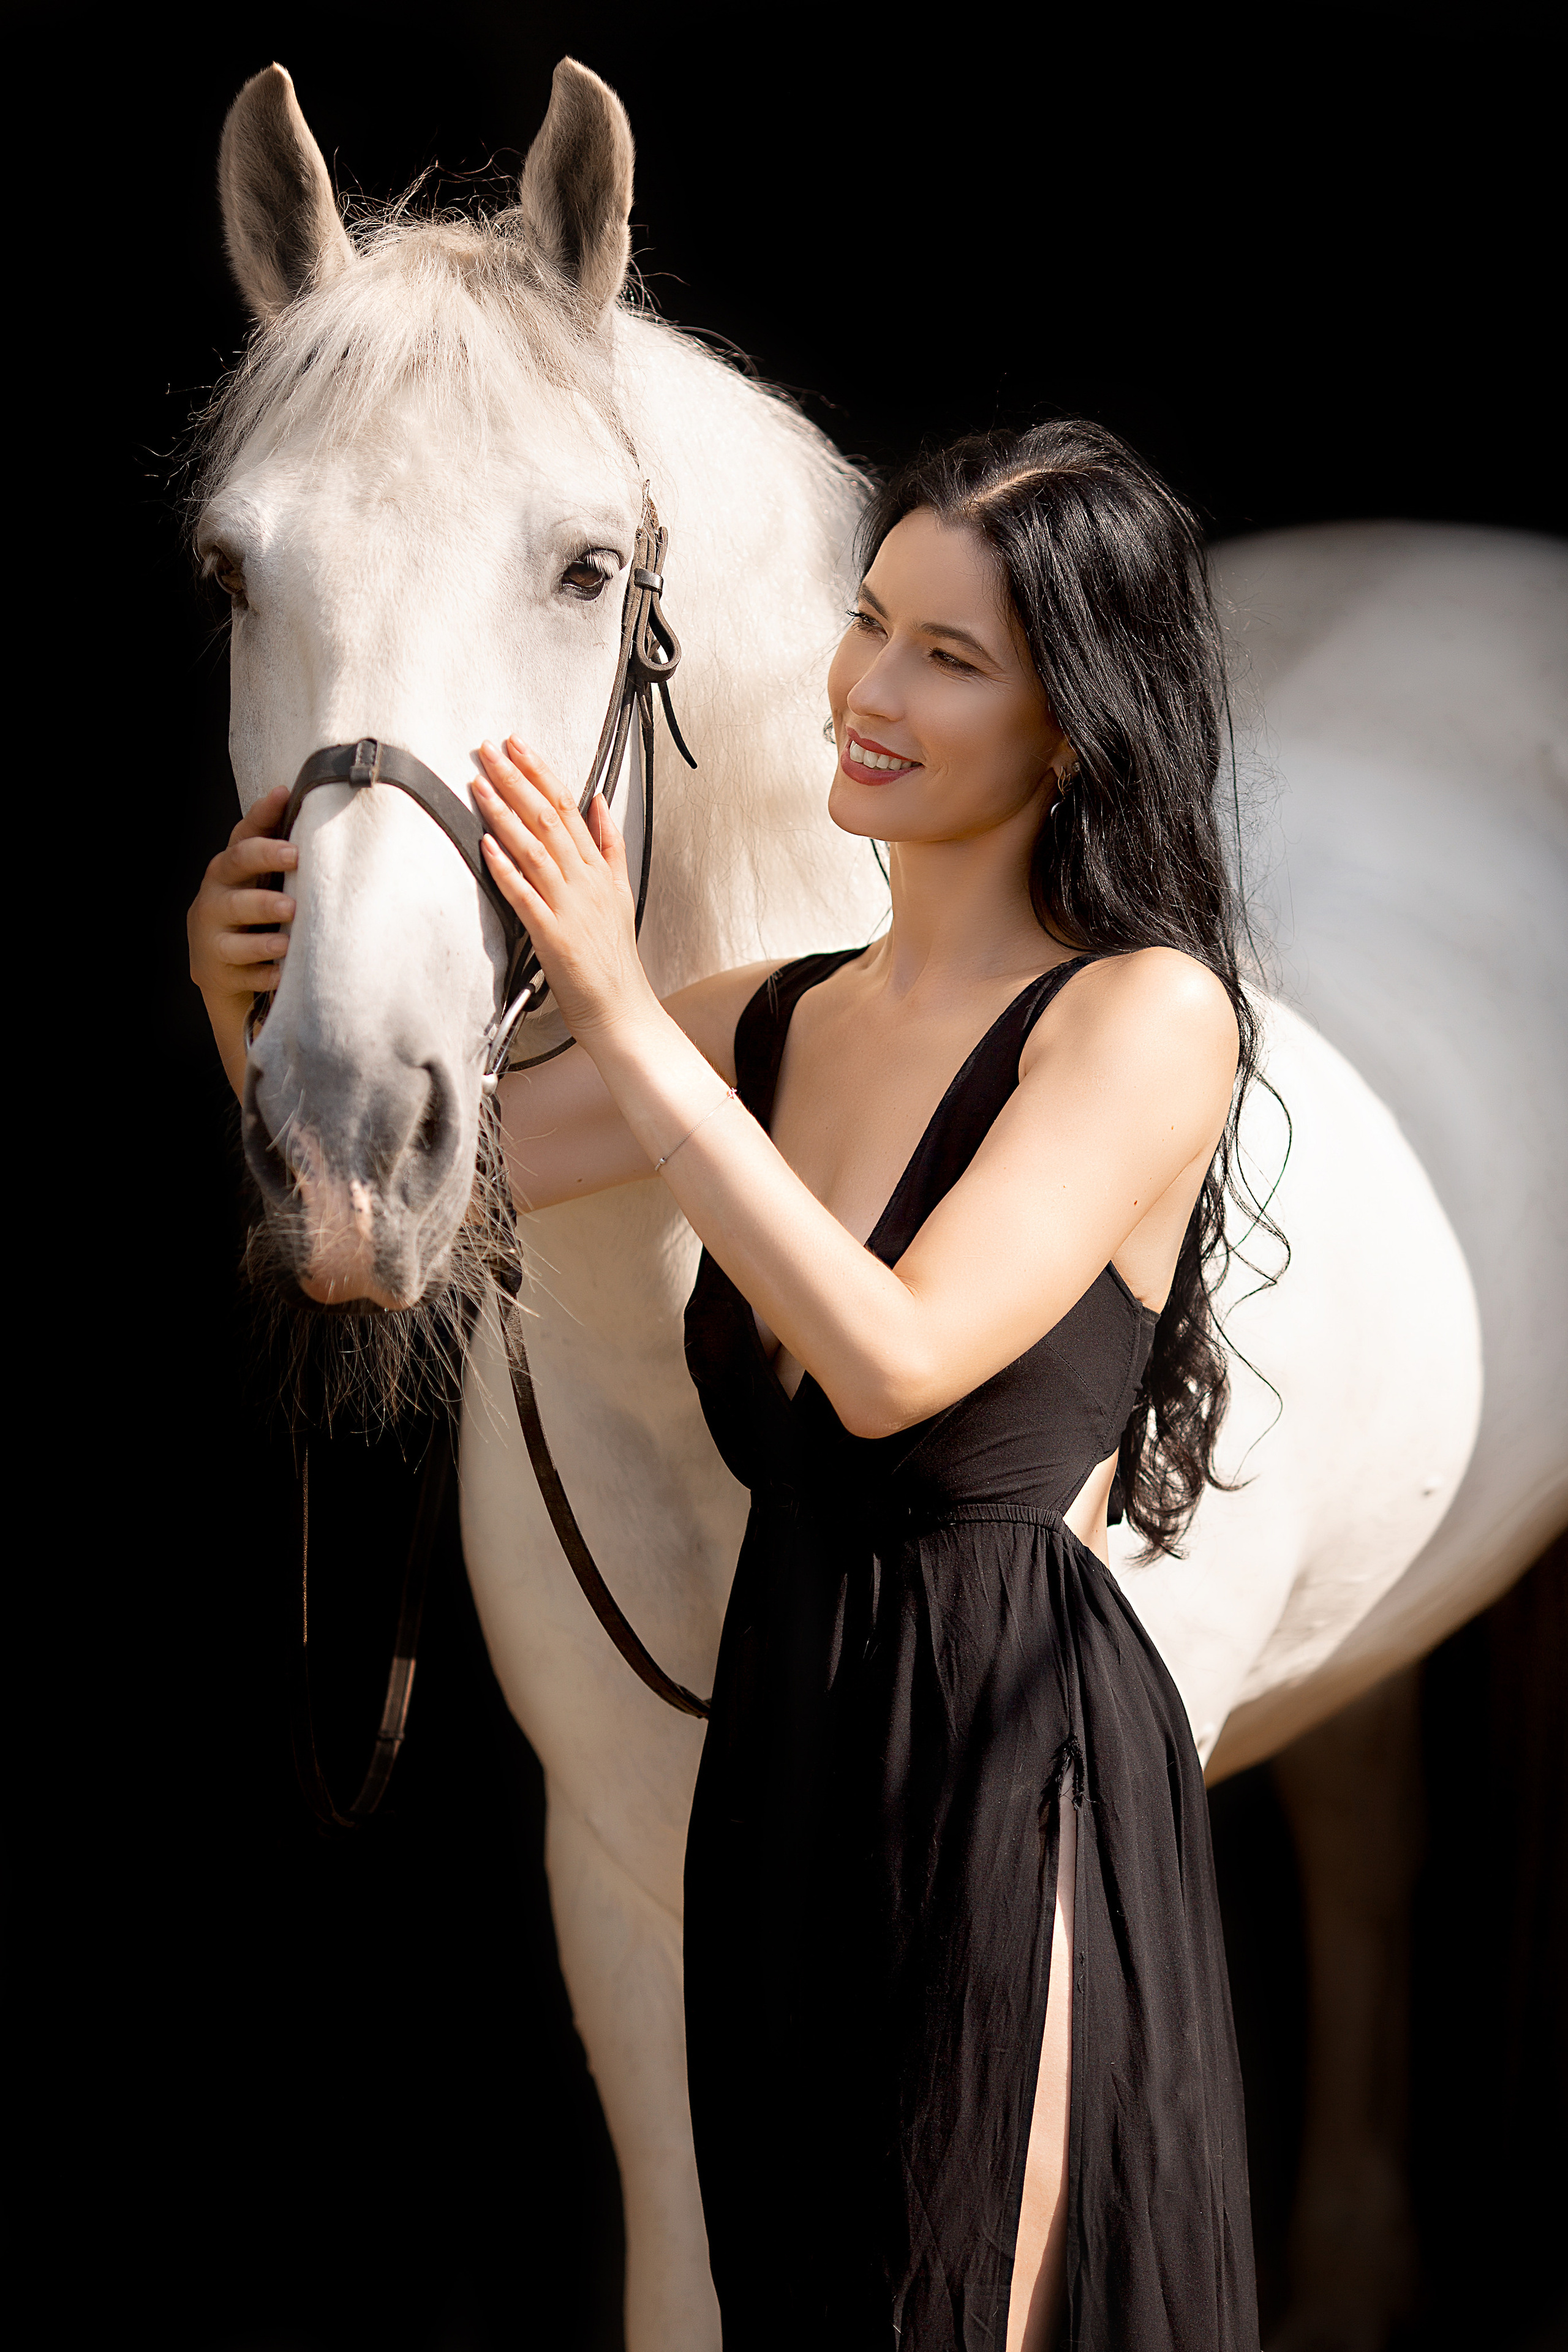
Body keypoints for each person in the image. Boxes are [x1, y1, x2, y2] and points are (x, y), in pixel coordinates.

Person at [189, 420, 1261, 2351]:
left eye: (954, 656)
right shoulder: (771, 1023)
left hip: (1005, 1758)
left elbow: (898, 1358)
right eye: (870, 625)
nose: (865, 691)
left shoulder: (1142, 1016)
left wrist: (611, 1006)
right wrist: (240, 1007)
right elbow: (373, 1227)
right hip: (780, 1755)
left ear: (1079, 723)